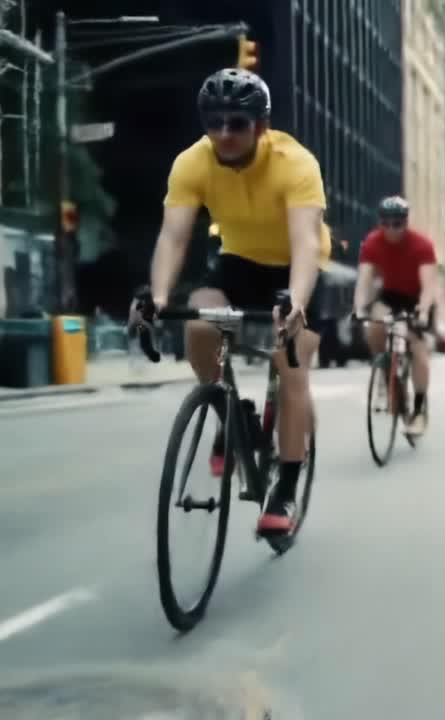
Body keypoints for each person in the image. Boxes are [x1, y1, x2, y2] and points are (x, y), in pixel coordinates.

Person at [133, 68, 330, 536]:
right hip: (239, 261)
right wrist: (157, 297)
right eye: (214, 122)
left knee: (290, 368)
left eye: (237, 123)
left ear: (261, 126)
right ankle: (231, 410)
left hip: (296, 268)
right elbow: (173, 237)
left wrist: (295, 302)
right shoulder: (192, 162)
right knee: (199, 323)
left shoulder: (295, 163)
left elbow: (305, 242)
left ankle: (285, 488)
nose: (224, 133)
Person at [353, 195, 445, 435]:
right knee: (374, 326)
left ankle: (419, 410)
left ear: (406, 222)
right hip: (391, 295)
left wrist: (423, 313)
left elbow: (429, 286)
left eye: (398, 224)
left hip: (417, 297)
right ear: (380, 223)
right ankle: (385, 373)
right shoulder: (372, 242)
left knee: (417, 347)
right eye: (386, 224)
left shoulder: (422, 245)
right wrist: (359, 309)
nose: (392, 229)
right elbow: (364, 281)